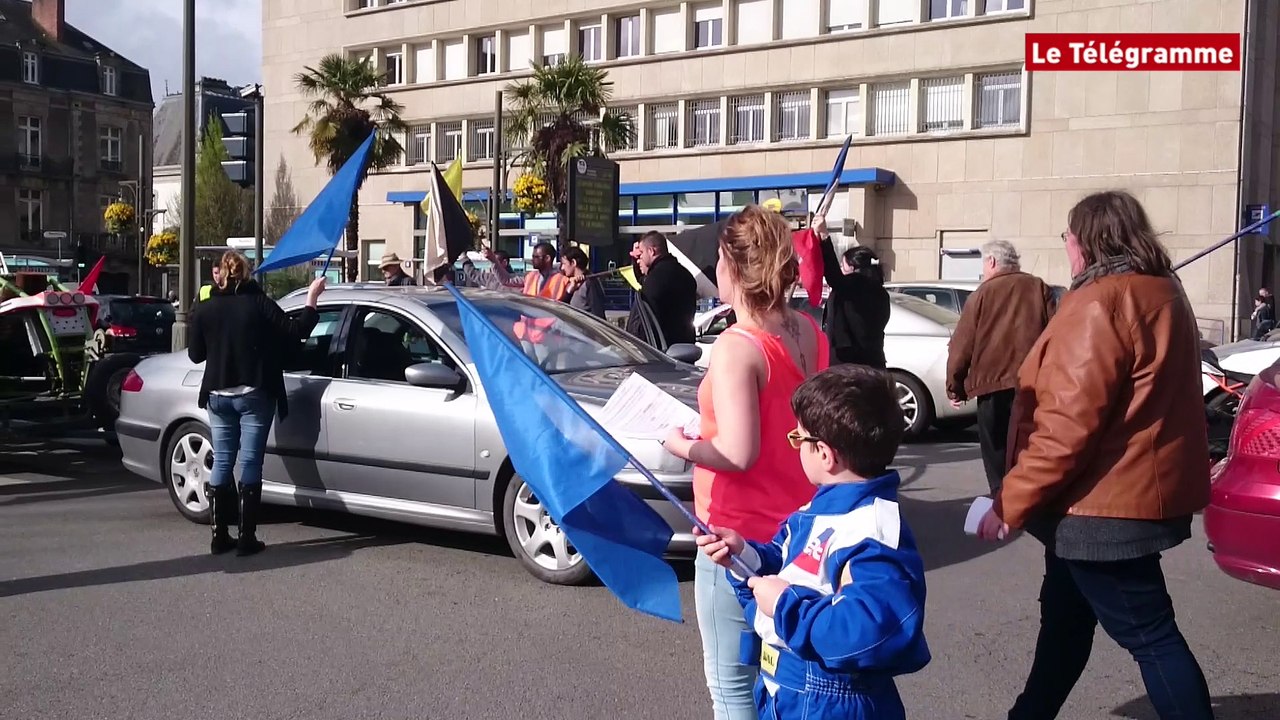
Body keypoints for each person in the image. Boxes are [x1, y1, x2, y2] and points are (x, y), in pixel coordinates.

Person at [976, 190, 1214, 720]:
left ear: (1084, 240)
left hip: (1100, 510)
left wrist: (1008, 500)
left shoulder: (1098, 302)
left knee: (1151, 637)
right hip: (1116, 497)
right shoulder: (1162, 292)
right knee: (1064, 624)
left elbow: (1066, 428)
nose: (1066, 247)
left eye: (1067, 236)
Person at [663, 204, 830, 720]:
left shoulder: (738, 345)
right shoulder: (807, 331)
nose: (714, 270)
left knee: (734, 692)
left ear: (734, 267)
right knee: (785, 679)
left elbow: (738, 453)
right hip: (797, 533)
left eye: (717, 258)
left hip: (734, 540)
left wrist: (680, 445)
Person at [697, 364, 930, 720]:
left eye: (798, 439)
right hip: (787, 687)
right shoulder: (820, 508)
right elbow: (789, 562)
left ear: (825, 454)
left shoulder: (874, 531)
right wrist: (743, 555)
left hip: (832, 699)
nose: (796, 447)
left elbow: (866, 631)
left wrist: (786, 605)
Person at [188, 250, 326, 557]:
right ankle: (246, 537)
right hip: (254, 394)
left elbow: (195, 355)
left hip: (218, 395)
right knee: (250, 463)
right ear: (246, 273)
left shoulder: (206, 309)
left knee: (223, 460)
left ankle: (218, 535)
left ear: (220, 275)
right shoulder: (258, 303)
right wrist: (312, 298)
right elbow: (296, 332)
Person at [945, 239, 1056, 495]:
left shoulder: (983, 293)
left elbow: (962, 345)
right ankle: (1027, 494)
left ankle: (1001, 497)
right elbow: (1055, 335)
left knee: (995, 446)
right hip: (1032, 383)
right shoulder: (1038, 287)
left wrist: (955, 387)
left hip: (991, 385)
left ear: (992, 261)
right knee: (1028, 443)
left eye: (984, 264)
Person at [811, 215, 890, 368]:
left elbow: (834, 277)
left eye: (843, 266)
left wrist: (824, 236)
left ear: (853, 268)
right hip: (874, 364)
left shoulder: (853, 285)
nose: (841, 270)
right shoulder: (880, 292)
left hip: (848, 367)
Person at [636, 231, 698, 348]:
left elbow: (646, 322)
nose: (641, 258)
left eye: (642, 253)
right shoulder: (685, 274)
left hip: (661, 350)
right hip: (686, 345)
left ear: (651, 251)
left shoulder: (655, 279)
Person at [561, 246, 606, 319]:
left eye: (564, 263)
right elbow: (561, 308)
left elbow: (597, 313)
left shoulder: (590, 282)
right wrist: (569, 291)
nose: (562, 268)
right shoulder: (571, 283)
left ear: (573, 262)